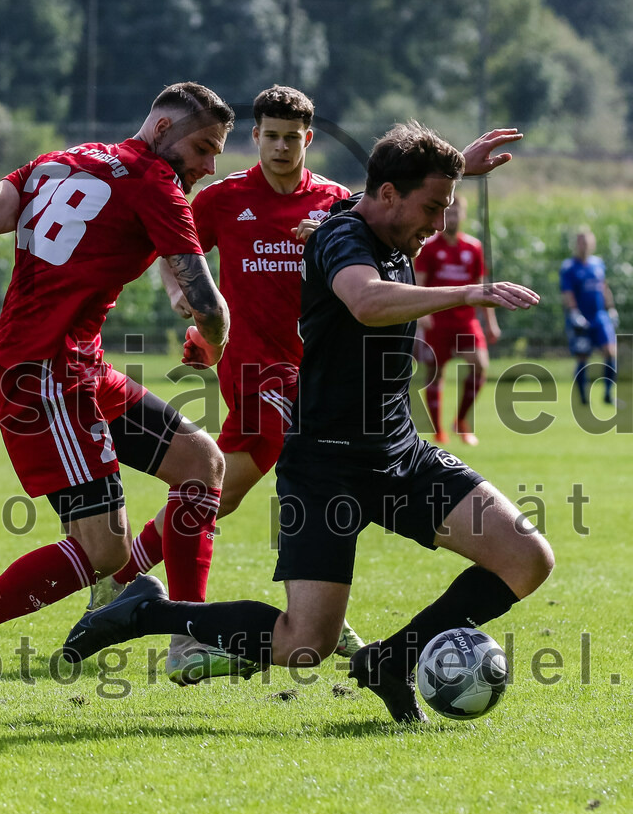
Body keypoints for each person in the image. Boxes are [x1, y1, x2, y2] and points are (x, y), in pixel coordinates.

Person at [62, 121, 555, 724]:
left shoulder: (373, 209)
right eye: (433, 208)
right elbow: (366, 301)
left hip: (398, 453)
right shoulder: (342, 239)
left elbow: (384, 190)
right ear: (392, 196)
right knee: (304, 644)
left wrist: (457, 169)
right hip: (325, 466)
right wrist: (465, 293)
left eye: (445, 209)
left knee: (527, 558)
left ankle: (390, 663)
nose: (440, 225)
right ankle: (148, 612)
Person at [0, 82, 239, 712]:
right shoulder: (153, 180)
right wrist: (210, 341)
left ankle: (182, 632)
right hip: (44, 373)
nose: (210, 167)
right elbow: (207, 303)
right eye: (204, 147)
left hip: (77, 365)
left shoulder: (60, 161)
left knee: (200, 464)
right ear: (160, 128)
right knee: (102, 547)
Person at [80, 85, 365, 680]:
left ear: (307, 140)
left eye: (293, 136)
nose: (281, 146)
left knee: (220, 493)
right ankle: (231, 626)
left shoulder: (334, 203)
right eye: (270, 135)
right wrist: (184, 294)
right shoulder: (224, 199)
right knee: (260, 461)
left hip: (317, 375)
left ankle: (121, 583)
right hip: (255, 372)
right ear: (255, 137)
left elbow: (382, 220)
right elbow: (171, 251)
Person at [414, 195, 500, 445]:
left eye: (456, 213)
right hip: (437, 321)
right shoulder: (429, 247)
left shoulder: (473, 248)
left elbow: (481, 288)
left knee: (480, 365)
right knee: (435, 373)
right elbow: (419, 282)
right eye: (447, 213)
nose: (451, 218)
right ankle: (438, 429)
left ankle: (461, 421)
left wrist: (491, 322)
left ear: (463, 215)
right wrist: (422, 313)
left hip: (465, 320)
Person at [560, 228, 621, 405]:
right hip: (581, 317)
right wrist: (574, 313)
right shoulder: (569, 267)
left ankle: (608, 395)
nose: (584, 246)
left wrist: (611, 308)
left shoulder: (598, 264)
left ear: (592, 244)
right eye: (581, 243)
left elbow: (604, 287)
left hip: (599, 316)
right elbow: (567, 292)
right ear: (576, 245)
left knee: (610, 352)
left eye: (587, 243)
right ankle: (583, 398)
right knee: (582, 356)